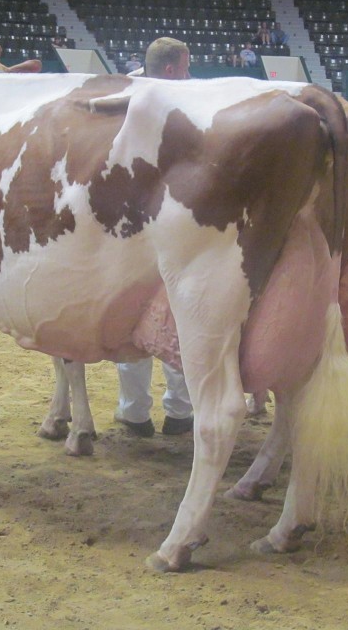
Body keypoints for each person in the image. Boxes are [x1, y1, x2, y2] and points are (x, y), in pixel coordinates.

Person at [115, 37, 194, 437]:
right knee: (178, 317)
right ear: (170, 70)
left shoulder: (120, 95)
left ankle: (134, 414)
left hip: (129, 225)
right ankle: (180, 412)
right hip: (176, 223)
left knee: (130, 316)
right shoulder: (191, 102)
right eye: (186, 67)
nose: (189, 74)